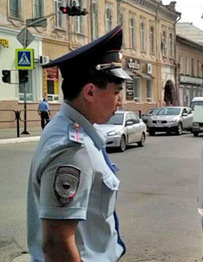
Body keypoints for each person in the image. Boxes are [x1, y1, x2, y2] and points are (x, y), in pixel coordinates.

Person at [27, 26, 131, 261]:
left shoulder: (73, 130)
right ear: (90, 92)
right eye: (116, 92)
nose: (120, 102)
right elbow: (56, 243)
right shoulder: (72, 148)